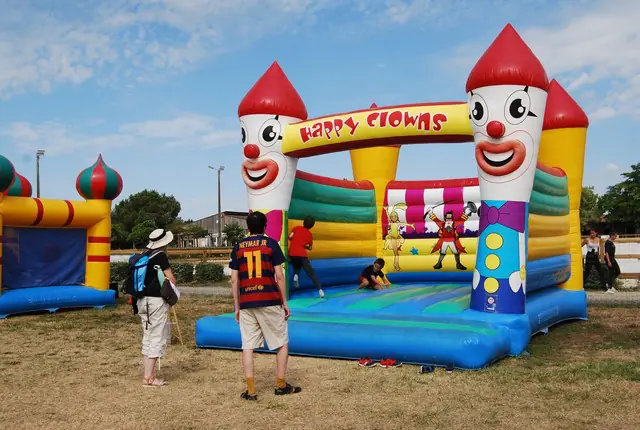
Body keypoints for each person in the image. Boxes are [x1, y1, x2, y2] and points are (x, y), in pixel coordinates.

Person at [230, 211, 301, 401]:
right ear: (265, 226)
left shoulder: (238, 247)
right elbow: (279, 276)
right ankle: (280, 385)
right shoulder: (271, 245)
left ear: (248, 227)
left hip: (247, 302)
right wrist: (284, 302)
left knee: (248, 346)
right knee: (281, 343)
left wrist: (237, 306)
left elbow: (234, 280)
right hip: (269, 299)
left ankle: (251, 391)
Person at [139, 228, 177, 387]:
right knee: (157, 337)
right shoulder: (160, 256)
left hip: (141, 301)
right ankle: (149, 377)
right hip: (156, 302)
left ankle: (148, 373)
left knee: (148, 335)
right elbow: (171, 279)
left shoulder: (144, 254)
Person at [289, 216, 324, 298]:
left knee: (297, 263)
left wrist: (295, 241)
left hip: (292, 253)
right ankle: (320, 290)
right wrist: (306, 246)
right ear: (312, 226)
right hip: (301, 254)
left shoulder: (296, 228)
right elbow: (310, 247)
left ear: (303, 222)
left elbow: (290, 237)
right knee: (311, 273)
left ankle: (296, 275)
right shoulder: (309, 234)